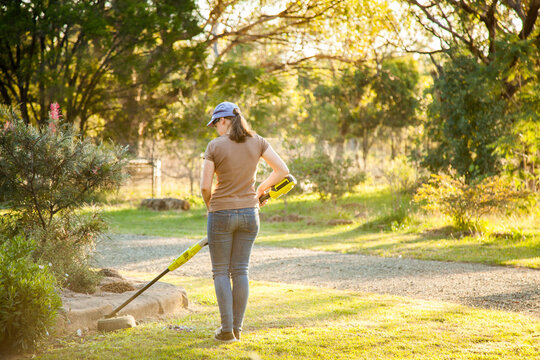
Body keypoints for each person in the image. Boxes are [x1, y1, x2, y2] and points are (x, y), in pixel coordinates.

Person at [200, 101, 289, 343]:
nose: (215, 129)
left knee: (220, 270)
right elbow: (282, 170)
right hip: (251, 213)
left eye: (215, 123)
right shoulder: (258, 141)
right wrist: (261, 189)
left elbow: (205, 186)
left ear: (224, 120)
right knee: (240, 270)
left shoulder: (214, 146)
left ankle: (226, 330)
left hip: (221, 213)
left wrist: (211, 208)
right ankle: (237, 329)